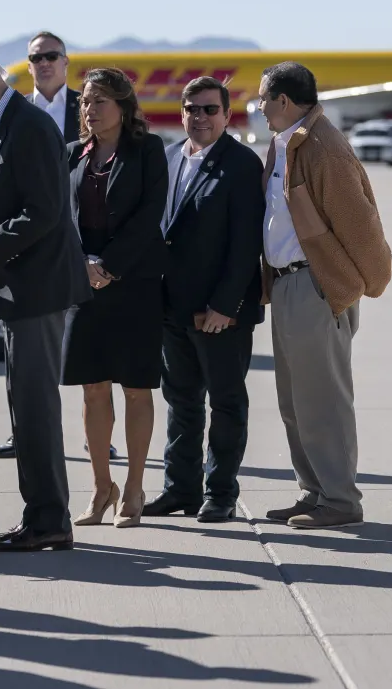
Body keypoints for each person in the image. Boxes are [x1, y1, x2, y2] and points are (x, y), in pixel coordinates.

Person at [0, 50, 92, 551]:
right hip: (23, 287)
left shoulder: (26, 125)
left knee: (34, 408)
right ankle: (44, 515)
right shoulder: (5, 125)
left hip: (39, 287)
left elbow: (45, 211)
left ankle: (49, 520)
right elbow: (15, 205)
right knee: (25, 406)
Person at [257, 62, 392, 530]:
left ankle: (339, 500)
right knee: (296, 402)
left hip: (316, 285)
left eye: (262, 99)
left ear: (283, 101)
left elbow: (361, 226)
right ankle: (314, 493)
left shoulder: (322, 148)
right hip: (287, 283)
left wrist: (365, 284)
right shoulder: (288, 142)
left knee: (324, 402)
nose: (258, 108)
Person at [143, 77, 264, 523]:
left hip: (219, 313)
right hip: (172, 308)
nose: (200, 117)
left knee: (227, 402)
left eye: (210, 110)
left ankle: (221, 492)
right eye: (192, 109)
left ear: (227, 115)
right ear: (182, 113)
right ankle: (180, 490)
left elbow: (245, 244)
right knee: (181, 401)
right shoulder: (171, 157)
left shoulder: (242, 164)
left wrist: (226, 306)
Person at [62, 68, 167, 528]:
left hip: (134, 283)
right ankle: (101, 488)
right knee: (92, 386)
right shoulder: (70, 156)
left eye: (101, 100)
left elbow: (150, 215)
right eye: (86, 100)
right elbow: (60, 219)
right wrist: (84, 265)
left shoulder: (148, 151)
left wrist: (110, 267)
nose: (90, 108)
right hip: (82, 283)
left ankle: (135, 488)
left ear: (124, 106)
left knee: (136, 387)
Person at [0, 30, 100, 460]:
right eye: (36, 57)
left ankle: (97, 436)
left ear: (66, 61)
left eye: (52, 55)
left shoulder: (85, 108)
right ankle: (24, 433)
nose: (44, 63)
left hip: (81, 239)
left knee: (86, 344)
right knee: (24, 353)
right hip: (30, 244)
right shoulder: (14, 111)